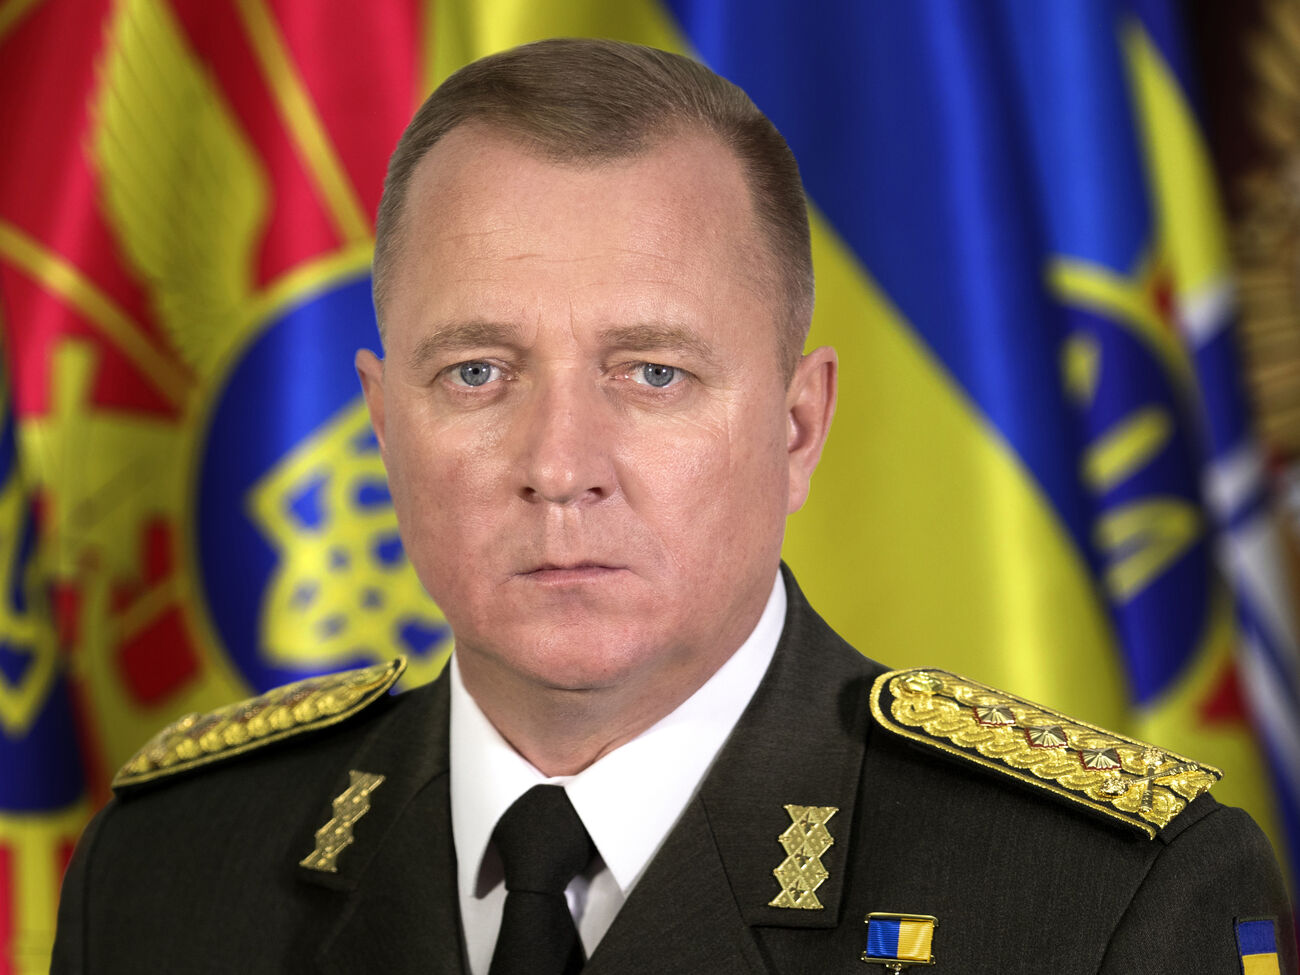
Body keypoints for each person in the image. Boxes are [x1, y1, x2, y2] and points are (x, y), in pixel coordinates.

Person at [52, 38, 1295, 975]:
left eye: (653, 374)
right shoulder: (174, 870)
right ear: (385, 424)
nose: (560, 465)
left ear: (797, 428)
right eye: (477, 373)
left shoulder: (1100, 903)